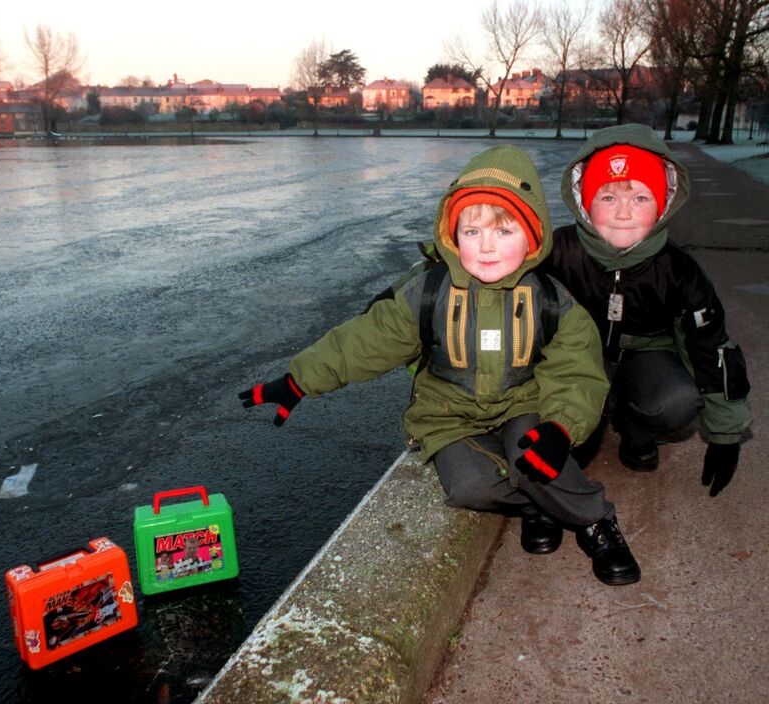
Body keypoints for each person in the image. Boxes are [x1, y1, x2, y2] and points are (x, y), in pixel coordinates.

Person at [240, 145, 641, 586]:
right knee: (469, 487)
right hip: (448, 414)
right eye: (472, 232)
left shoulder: (551, 300)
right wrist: (298, 381)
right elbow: (364, 340)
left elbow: (579, 373)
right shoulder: (428, 291)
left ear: (533, 237)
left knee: (534, 455)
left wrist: (562, 426)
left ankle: (596, 522)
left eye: (504, 232)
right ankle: (536, 506)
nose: (487, 247)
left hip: (522, 402)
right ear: (453, 235)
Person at [543, 124, 751, 495]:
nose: (623, 212)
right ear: (585, 202)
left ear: (663, 206)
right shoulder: (557, 251)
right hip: (577, 358)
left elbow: (713, 346)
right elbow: (495, 268)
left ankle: (634, 426)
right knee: (568, 430)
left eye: (640, 198)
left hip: (646, 355)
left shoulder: (679, 271)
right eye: (608, 198)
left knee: (677, 401)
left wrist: (725, 431)